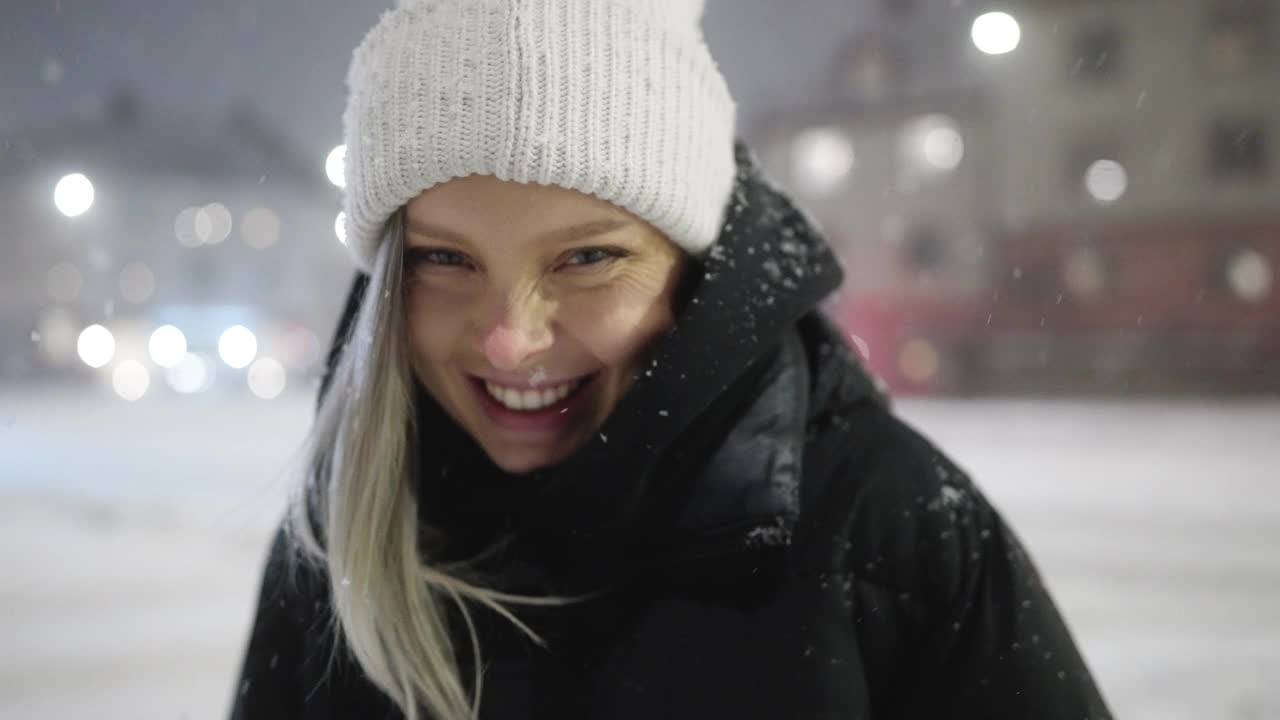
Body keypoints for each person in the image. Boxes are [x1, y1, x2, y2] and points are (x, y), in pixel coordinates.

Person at [230, 1, 1113, 718]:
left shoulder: (890, 529)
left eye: (586, 259)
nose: (509, 337)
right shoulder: (340, 538)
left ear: (695, 265)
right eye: (443, 259)